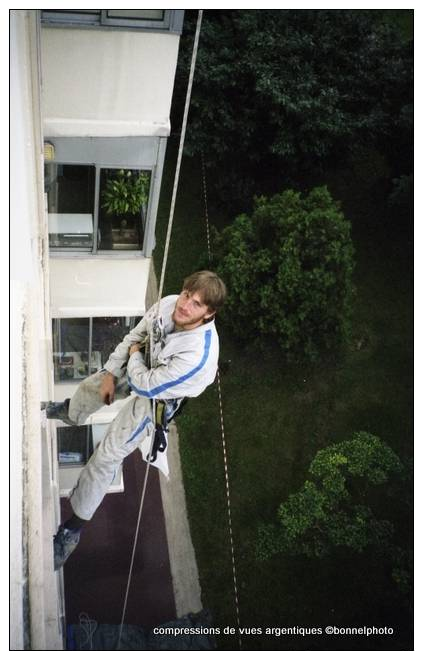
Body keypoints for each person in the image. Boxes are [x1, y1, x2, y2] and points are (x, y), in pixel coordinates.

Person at [47, 270, 227, 570]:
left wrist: (132, 357)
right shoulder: (169, 304)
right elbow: (135, 337)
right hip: (144, 362)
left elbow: (145, 386)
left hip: (157, 397)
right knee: (92, 387)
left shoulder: (198, 356)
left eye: (196, 304)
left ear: (209, 314)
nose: (185, 305)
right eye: (186, 295)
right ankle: (70, 412)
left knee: (106, 456)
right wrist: (108, 374)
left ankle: (72, 531)